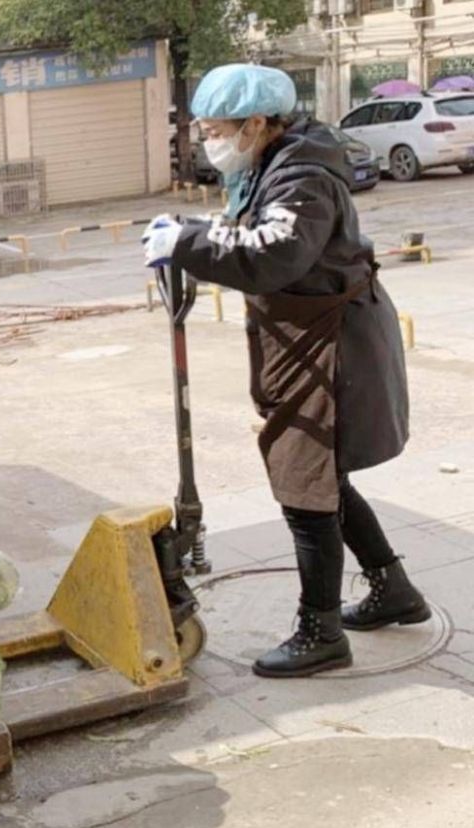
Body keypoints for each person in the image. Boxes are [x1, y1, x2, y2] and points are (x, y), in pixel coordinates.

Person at [142, 65, 428, 679]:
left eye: (216, 129)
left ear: (256, 123)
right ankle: (393, 590)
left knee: (306, 488)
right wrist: (189, 232)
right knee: (326, 480)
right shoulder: (273, 165)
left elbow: (275, 255)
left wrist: (186, 247)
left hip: (331, 348)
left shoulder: (302, 175)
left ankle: (320, 631)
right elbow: (251, 232)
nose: (209, 139)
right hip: (312, 339)